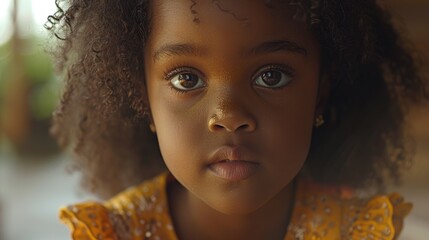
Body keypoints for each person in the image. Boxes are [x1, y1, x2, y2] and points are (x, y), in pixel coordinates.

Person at [46, 0, 428, 239]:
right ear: (144, 100)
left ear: (320, 94)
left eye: (271, 76)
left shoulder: (356, 231)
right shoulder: (113, 233)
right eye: (186, 79)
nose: (229, 117)